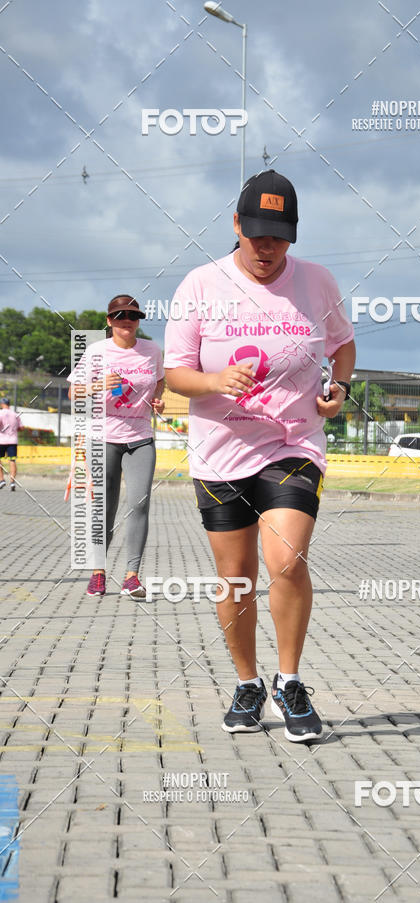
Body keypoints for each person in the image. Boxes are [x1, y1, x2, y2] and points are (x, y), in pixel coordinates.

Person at [164, 170, 356, 742]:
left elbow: (342, 344)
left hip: (292, 443)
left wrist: (339, 389)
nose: (267, 247)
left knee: (287, 560)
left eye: (279, 236)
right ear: (236, 227)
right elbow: (174, 372)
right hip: (220, 453)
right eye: (256, 234)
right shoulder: (200, 285)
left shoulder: (317, 282)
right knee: (237, 576)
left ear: (293, 235)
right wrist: (215, 380)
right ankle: (247, 683)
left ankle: (289, 681)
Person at [67, 295, 165, 598]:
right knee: (103, 508)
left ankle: (132, 576)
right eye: (120, 316)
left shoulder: (152, 350)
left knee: (140, 503)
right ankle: (98, 573)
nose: (127, 321)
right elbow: (73, 394)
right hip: (103, 436)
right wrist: (98, 386)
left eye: (133, 316)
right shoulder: (96, 350)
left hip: (140, 437)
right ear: (109, 321)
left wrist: (157, 400)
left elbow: (160, 380)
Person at [0, 398, 22, 491]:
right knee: (12, 460)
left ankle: (1, 480)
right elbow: (21, 428)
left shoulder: (0, 413)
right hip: (13, 440)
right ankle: (12, 482)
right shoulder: (15, 414)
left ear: (2, 404)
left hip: (1, 440)